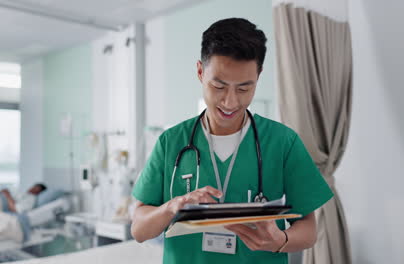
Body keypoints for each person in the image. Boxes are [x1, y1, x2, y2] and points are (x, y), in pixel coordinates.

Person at [131, 18, 333, 263]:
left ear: (258, 77)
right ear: (200, 72)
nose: (230, 102)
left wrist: (281, 241)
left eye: (244, 89)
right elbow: (139, 230)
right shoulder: (171, 143)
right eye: (219, 86)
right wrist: (173, 206)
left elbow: (309, 229)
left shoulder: (283, 143)